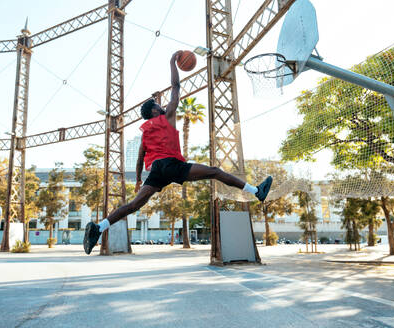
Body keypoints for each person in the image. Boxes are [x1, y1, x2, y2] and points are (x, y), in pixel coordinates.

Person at [83, 51, 272, 255]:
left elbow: (139, 160)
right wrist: (172, 61)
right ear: (155, 112)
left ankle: (99, 228)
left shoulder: (147, 132)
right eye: (159, 106)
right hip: (171, 165)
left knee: (134, 204)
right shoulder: (167, 117)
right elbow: (177, 87)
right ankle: (256, 192)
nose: (162, 106)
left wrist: (138, 179)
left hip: (156, 171)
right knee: (215, 171)